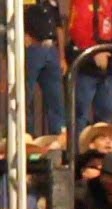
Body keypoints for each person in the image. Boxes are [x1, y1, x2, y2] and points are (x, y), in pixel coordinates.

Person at [67, 0, 112, 134]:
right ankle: (78, 152)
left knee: (106, 112)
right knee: (80, 113)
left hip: (110, 63)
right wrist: (94, 52)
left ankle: (101, 151)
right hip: (86, 64)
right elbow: (76, 30)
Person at [25, 0, 67, 137]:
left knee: (56, 99)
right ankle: (27, 140)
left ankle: (58, 142)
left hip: (51, 49)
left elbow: (58, 27)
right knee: (26, 97)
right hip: (32, 48)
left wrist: (61, 56)